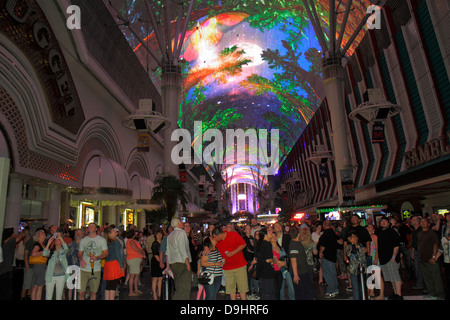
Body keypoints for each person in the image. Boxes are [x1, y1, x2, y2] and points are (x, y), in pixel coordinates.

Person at [212, 225, 248, 300]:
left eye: (215, 237)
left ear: (219, 235)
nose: (214, 239)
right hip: (227, 268)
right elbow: (222, 254)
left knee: (242, 288)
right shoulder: (218, 243)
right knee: (230, 289)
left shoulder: (233, 234)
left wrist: (232, 253)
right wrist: (222, 260)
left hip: (240, 265)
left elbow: (243, 244)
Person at [78, 223, 108, 300]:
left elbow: (105, 253)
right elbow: (80, 253)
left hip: (95, 269)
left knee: (93, 292)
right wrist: (81, 260)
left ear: (96, 229)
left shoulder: (101, 240)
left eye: (92, 226)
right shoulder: (83, 240)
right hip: (83, 269)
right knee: (81, 292)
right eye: (89, 227)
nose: (90, 228)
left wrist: (97, 257)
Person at [418, 218, 445, 300]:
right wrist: (419, 255)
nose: (422, 223)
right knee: (427, 278)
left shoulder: (432, 233)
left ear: (428, 224)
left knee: (436, 278)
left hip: (431, 259)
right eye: (421, 222)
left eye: (424, 222)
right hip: (422, 259)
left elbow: (435, 245)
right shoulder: (419, 234)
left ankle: (440, 295)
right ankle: (431, 293)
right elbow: (419, 245)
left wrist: (434, 257)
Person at [166, 218, 192, 300]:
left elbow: (167, 252)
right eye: (181, 222)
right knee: (185, 288)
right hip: (182, 263)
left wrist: (168, 265)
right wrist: (188, 264)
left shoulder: (170, 235)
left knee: (178, 286)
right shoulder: (181, 233)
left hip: (173, 263)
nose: (182, 223)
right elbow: (182, 249)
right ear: (178, 224)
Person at [377, 216, 403, 300]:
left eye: (385, 221)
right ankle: (395, 293)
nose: (383, 222)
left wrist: (393, 257)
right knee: (391, 277)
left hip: (391, 258)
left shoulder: (392, 232)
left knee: (395, 276)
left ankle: (399, 295)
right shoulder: (379, 232)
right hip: (384, 259)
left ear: (389, 223)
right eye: (382, 221)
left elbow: (396, 246)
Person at [288, 227, 314, 300]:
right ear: (298, 234)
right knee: (302, 293)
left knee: (304, 292)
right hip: (300, 273)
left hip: (302, 271)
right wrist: (296, 275)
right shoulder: (294, 245)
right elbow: (293, 260)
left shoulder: (296, 243)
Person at [0, 228, 26, 300]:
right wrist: (17, 235)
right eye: (13, 233)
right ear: (10, 235)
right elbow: (22, 235)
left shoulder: (3, 242)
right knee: (7, 288)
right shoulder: (10, 242)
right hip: (7, 269)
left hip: (3, 268)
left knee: (3, 288)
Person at [43, 232, 69, 300]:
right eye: (56, 240)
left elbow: (66, 248)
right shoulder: (51, 252)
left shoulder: (63, 252)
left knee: (59, 296)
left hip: (61, 276)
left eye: (59, 240)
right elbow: (44, 254)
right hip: (50, 276)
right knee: (48, 296)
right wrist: (48, 243)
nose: (57, 241)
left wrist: (60, 237)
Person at [317, 219, 339, 298]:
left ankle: (331, 290)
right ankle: (335, 289)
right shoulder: (333, 233)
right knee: (333, 273)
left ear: (324, 225)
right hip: (333, 256)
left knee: (328, 274)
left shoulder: (325, 234)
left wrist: (320, 252)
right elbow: (338, 242)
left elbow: (323, 245)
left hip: (327, 257)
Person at [274, 222, 294, 300]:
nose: (278, 227)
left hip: (288, 265)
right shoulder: (273, 239)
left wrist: (286, 261)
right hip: (277, 266)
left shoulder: (287, 237)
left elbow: (291, 251)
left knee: (291, 286)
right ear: (274, 230)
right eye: (276, 226)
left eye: (279, 225)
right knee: (280, 287)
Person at [255, 228, 277, 300]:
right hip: (267, 273)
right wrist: (274, 259)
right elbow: (268, 260)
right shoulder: (267, 244)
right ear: (265, 235)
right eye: (269, 231)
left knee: (265, 293)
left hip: (262, 273)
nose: (271, 232)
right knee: (268, 294)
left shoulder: (262, 244)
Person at [103, 227, 124, 300]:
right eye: (113, 231)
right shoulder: (116, 242)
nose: (115, 232)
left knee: (108, 284)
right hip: (114, 264)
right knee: (113, 284)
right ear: (110, 234)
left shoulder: (107, 242)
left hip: (107, 264)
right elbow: (118, 255)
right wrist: (121, 265)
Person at [390, 215, 414, 279]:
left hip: (403, 244)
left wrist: (410, 242)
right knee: (397, 262)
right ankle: (399, 277)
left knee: (408, 261)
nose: (394, 221)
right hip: (395, 246)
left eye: (394, 219)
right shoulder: (391, 228)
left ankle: (411, 275)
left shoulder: (403, 226)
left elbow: (410, 233)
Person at [345, 231, 367, 300]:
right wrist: (354, 245)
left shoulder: (360, 245)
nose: (355, 239)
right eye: (353, 237)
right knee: (356, 287)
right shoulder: (349, 247)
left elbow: (364, 254)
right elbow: (350, 253)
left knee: (363, 286)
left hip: (362, 269)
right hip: (354, 269)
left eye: (355, 237)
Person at [366, 223, 384, 300]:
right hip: (369, 258)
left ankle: (381, 294)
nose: (368, 227)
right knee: (371, 276)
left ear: (373, 229)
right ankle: (371, 291)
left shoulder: (374, 237)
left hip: (374, 258)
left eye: (370, 226)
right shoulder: (367, 237)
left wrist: (376, 259)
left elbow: (376, 249)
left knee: (377, 276)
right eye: (368, 226)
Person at [126, 229, 145, 296]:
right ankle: (131, 291)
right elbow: (136, 249)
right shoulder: (131, 241)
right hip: (133, 259)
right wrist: (142, 253)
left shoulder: (132, 241)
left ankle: (136, 289)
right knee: (132, 275)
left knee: (136, 275)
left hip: (135, 259)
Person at [29, 228, 48, 300]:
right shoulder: (38, 244)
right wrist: (42, 252)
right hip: (40, 266)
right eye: (42, 233)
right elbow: (33, 253)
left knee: (35, 285)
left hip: (37, 266)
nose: (44, 234)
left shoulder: (42, 244)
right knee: (40, 286)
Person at [242, 224, 258, 299]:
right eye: (247, 229)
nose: (249, 230)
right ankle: (248, 293)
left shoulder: (251, 237)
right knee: (248, 276)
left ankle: (251, 291)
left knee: (251, 276)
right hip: (247, 259)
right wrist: (252, 250)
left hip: (252, 259)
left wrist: (253, 250)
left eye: (249, 228)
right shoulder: (244, 238)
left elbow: (254, 247)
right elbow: (249, 248)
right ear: (244, 230)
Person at [410, 216, 425, 291]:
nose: (411, 221)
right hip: (416, 250)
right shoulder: (414, 231)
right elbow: (414, 243)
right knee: (417, 268)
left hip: (421, 251)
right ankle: (420, 284)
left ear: (417, 221)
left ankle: (424, 285)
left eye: (413, 220)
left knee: (421, 268)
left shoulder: (420, 230)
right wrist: (412, 252)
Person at [151, 229, 164, 300]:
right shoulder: (155, 243)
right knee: (155, 278)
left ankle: (159, 293)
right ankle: (154, 294)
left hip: (161, 261)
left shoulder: (163, 242)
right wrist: (161, 262)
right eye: (158, 234)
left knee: (160, 278)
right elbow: (155, 254)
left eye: (160, 234)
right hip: (156, 262)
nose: (159, 235)